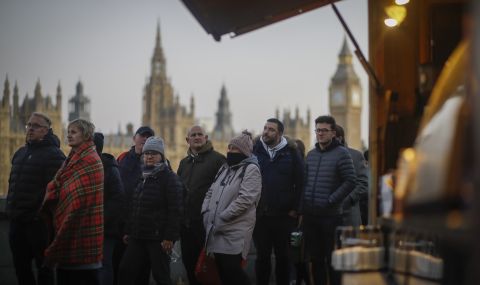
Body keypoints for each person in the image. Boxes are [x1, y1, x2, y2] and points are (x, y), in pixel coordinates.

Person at [41, 118, 104, 285]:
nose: (69, 135)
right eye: (68, 132)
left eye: (73, 132)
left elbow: (77, 203)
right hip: (68, 242)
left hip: (83, 237)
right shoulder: (72, 159)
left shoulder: (90, 160)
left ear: (86, 135)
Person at [6, 112, 66, 285]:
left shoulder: (55, 155)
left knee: (44, 268)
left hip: (38, 223)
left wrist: (36, 211)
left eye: (36, 126)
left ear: (47, 130)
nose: (30, 129)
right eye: (29, 125)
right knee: (20, 267)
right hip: (17, 221)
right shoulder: (20, 153)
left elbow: (56, 189)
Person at [118, 136, 183, 285]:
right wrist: (129, 230)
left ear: (161, 156)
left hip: (158, 237)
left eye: (154, 153)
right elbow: (135, 205)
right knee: (125, 271)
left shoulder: (169, 178)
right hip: (138, 235)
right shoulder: (143, 176)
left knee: (161, 276)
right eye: (147, 153)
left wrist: (169, 237)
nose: (149, 156)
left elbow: (176, 210)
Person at [202, 131, 262, 285]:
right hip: (216, 229)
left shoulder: (251, 169)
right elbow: (211, 191)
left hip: (234, 231)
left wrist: (223, 216)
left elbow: (246, 199)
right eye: (229, 147)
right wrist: (206, 211)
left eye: (234, 148)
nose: (229, 151)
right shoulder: (225, 168)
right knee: (223, 275)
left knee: (234, 273)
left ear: (243, 151)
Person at [301, 115, 355, 285]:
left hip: (330, 216)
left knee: (332, 260)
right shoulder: (311, 155)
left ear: (333, 133)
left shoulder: (342, 154)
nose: (320, 134)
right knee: (315, 260)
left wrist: (332, 200)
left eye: (324, 130)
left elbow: (351, 181)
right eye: (318, 130)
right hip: (311, 216)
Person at [252, 118, 304, 285]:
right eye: (265, 128)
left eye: (271, 129)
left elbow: (301, 182)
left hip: (284, 216)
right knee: (262, 258)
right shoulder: (255, 150)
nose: (266, 132)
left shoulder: (291, 152)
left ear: (280, 133)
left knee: (283, 258)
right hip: (261, 216)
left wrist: (296, 209)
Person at [177, 125, 225, 285]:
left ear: (206, 138)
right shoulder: (184, 163)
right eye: (193, 135)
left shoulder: (218, 160)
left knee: (208, 268)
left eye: (200, 134)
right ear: (187, 140)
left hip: (207, 225)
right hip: (187, 225)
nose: (197, 137)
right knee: (189, 265)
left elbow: (224, 192)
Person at [114, 126, 154, 285]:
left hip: (144, 226)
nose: (144, 139)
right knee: (119, 267)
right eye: (142, 136)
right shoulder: (122, 158)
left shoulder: (159, 161)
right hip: (121, 223)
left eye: (148, 137)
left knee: (142, 270)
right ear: (134, 138)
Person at [93, 133, 125, 285]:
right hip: (89, 227)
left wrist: (101, 220)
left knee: (104, 266)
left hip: (106, 228)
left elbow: (117, 199)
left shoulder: (109, 168)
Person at [335, 125, 369, 227]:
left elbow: (363, 184)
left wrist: (348, 199)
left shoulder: (356, 155)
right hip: (326, 218)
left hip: (348, 214)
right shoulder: (320, 156)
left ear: (339, 138)